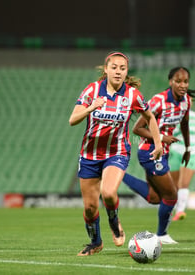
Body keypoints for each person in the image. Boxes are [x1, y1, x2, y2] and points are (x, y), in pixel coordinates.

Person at [69, 51, 163, 256]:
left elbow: (150, 117)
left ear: (126, 71)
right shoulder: (92, 90)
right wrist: (91, 107)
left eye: (122, 68)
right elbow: (73, 119)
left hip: (117, 152)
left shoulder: (133, 95)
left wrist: (158, 143)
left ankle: (114, 219)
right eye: (114, 67)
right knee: (90, 209)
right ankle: (96, 243)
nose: (118, 72)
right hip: (89, 156)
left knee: (109, 192)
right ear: (106, 69)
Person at [122, 67, 195, 244]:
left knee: (155, 197)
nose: (182, 85)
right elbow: (137, 128)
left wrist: (188, 148)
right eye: (178, 81)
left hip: (163, 153)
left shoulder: (186, 101)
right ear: (170, 82)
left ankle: (118, 176)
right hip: (150, 151)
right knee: (171, 196)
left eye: (185, 81)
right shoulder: (158, 101)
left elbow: (185, 123)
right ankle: (162, 235)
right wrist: (162, 137)